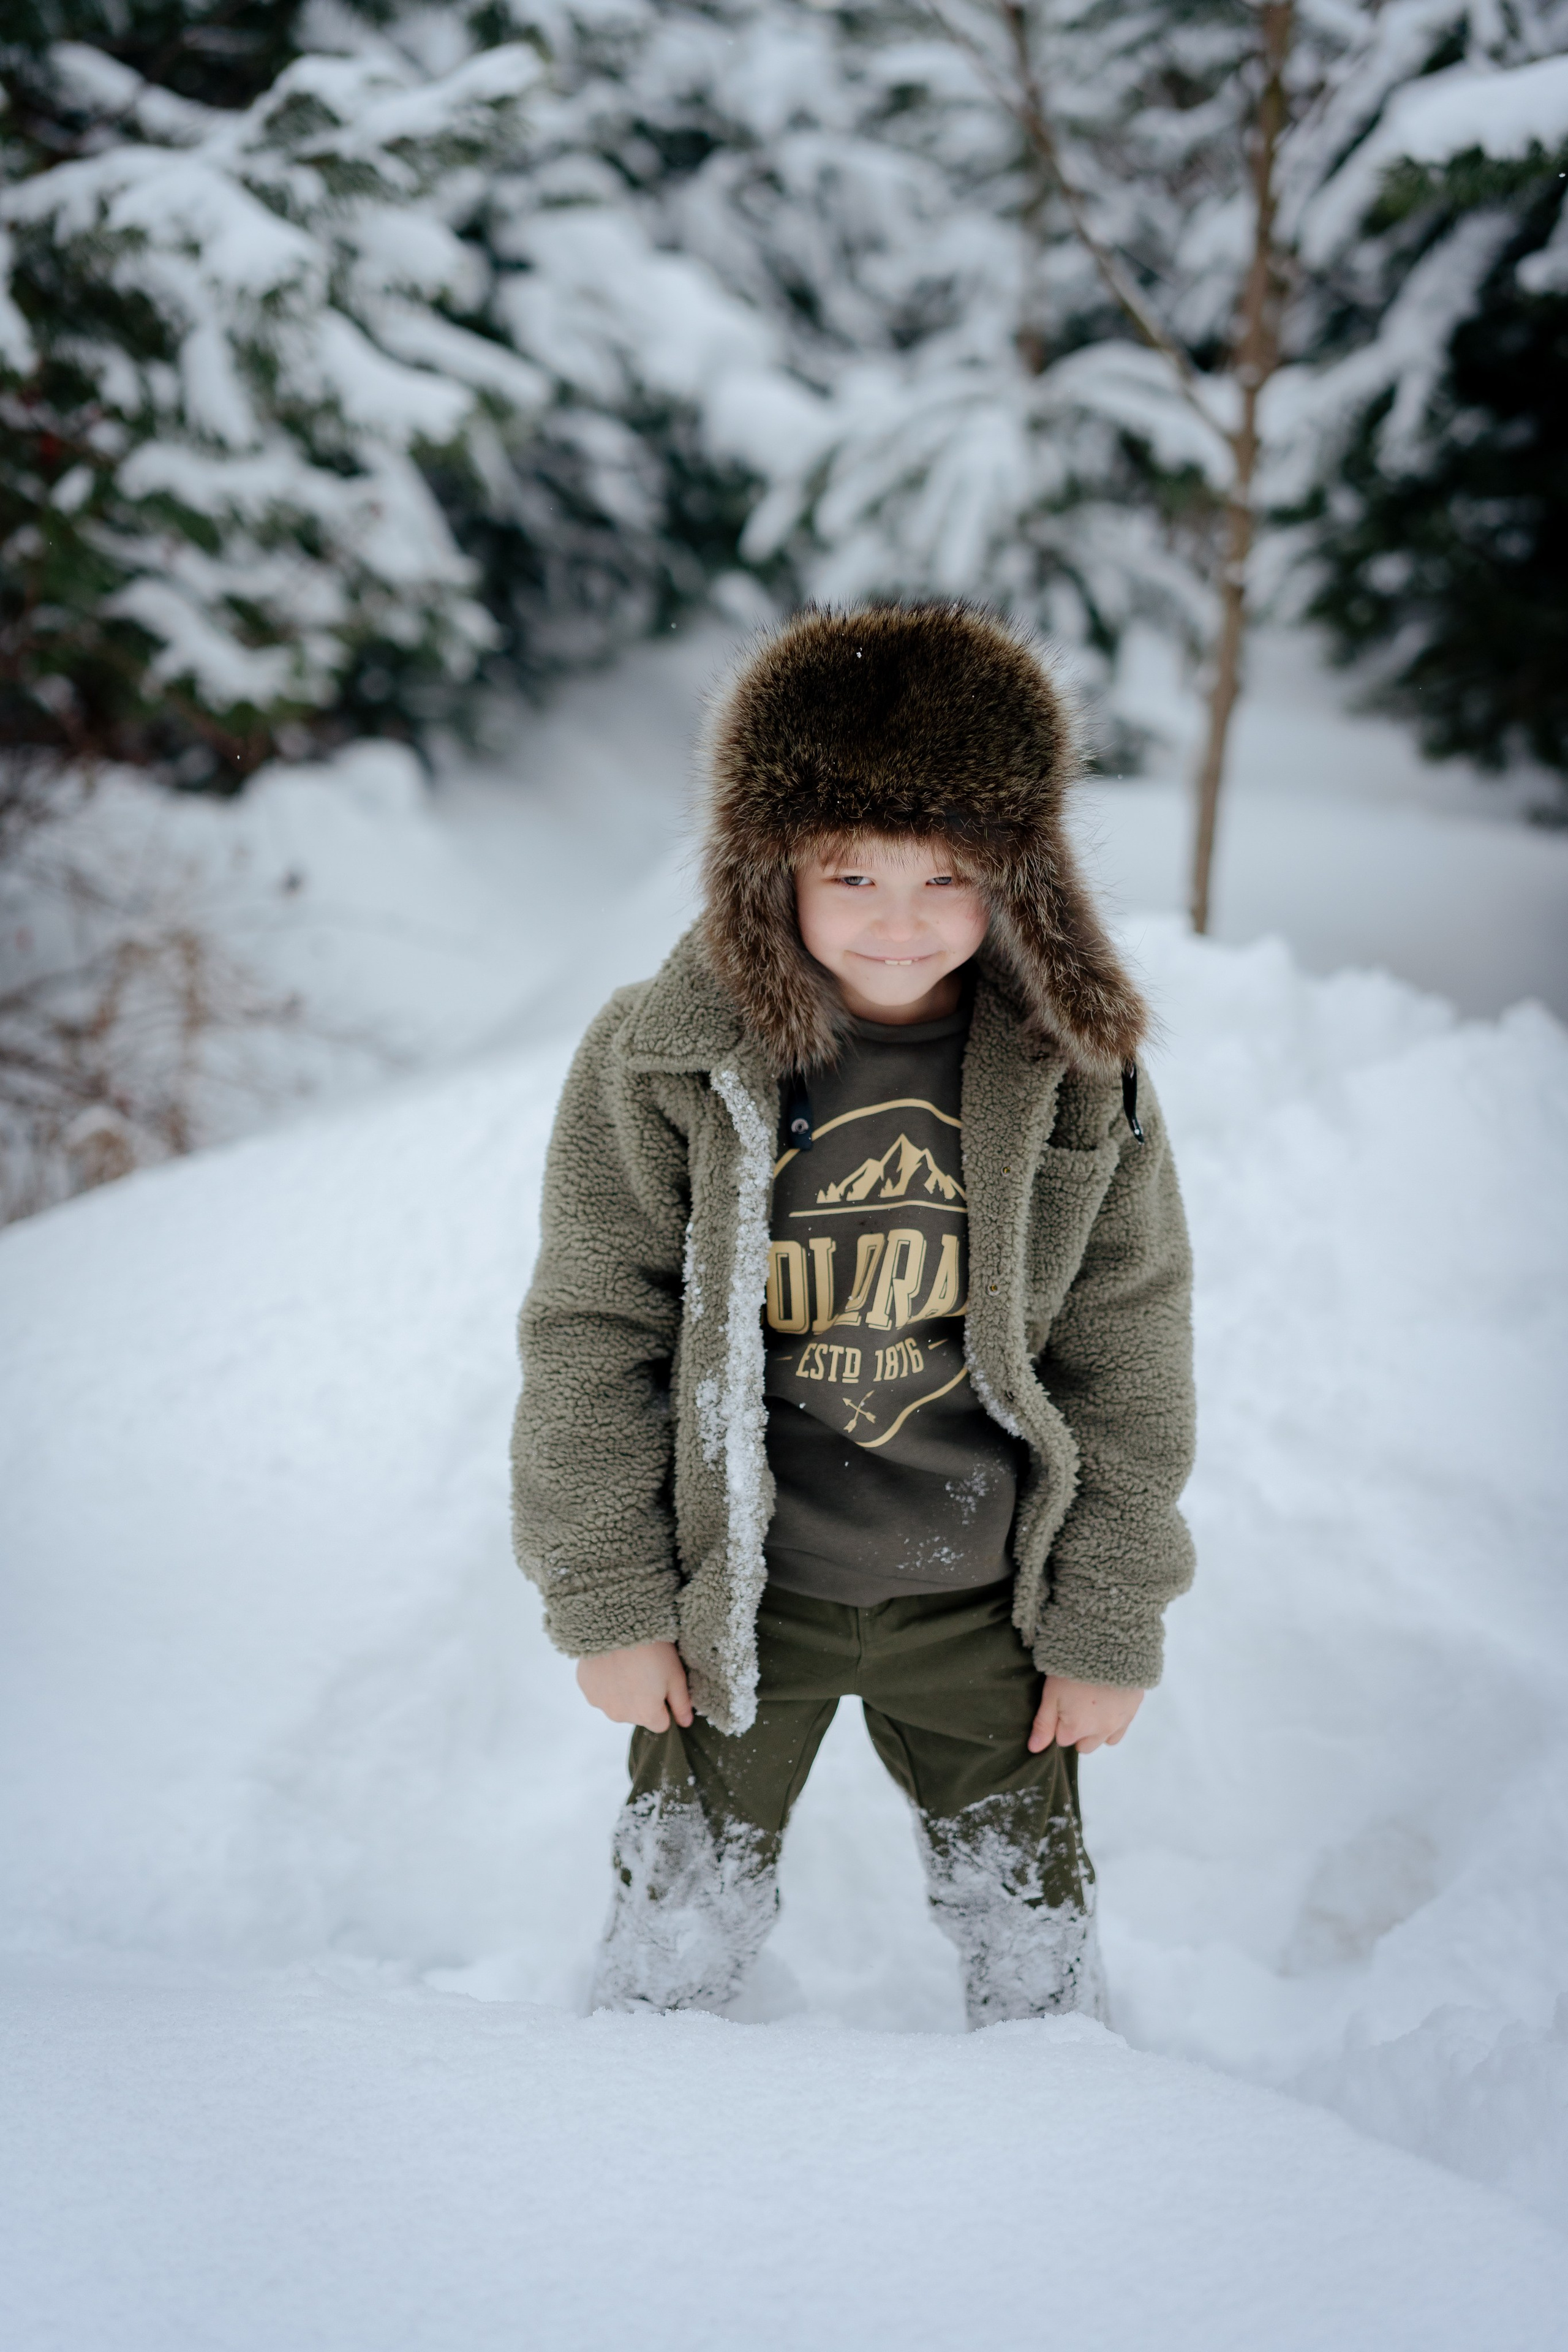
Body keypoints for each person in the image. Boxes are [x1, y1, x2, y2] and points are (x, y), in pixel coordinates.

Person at [510, 603, 1195, 2024]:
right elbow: (591, 1331)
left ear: (1021, 877)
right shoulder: (663, 1058)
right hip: (737, 1605)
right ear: (771, 871)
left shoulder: (1070, 1069)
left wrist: (1106, 1616)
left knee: (1035, 1963)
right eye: (852, 874)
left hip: (981, 1605)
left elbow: (1126, 1347)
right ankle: (616, 2135)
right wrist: (608, 1600)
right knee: (671, 1941)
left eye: (948, 876)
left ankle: (1061, 2144)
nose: (901, 920)